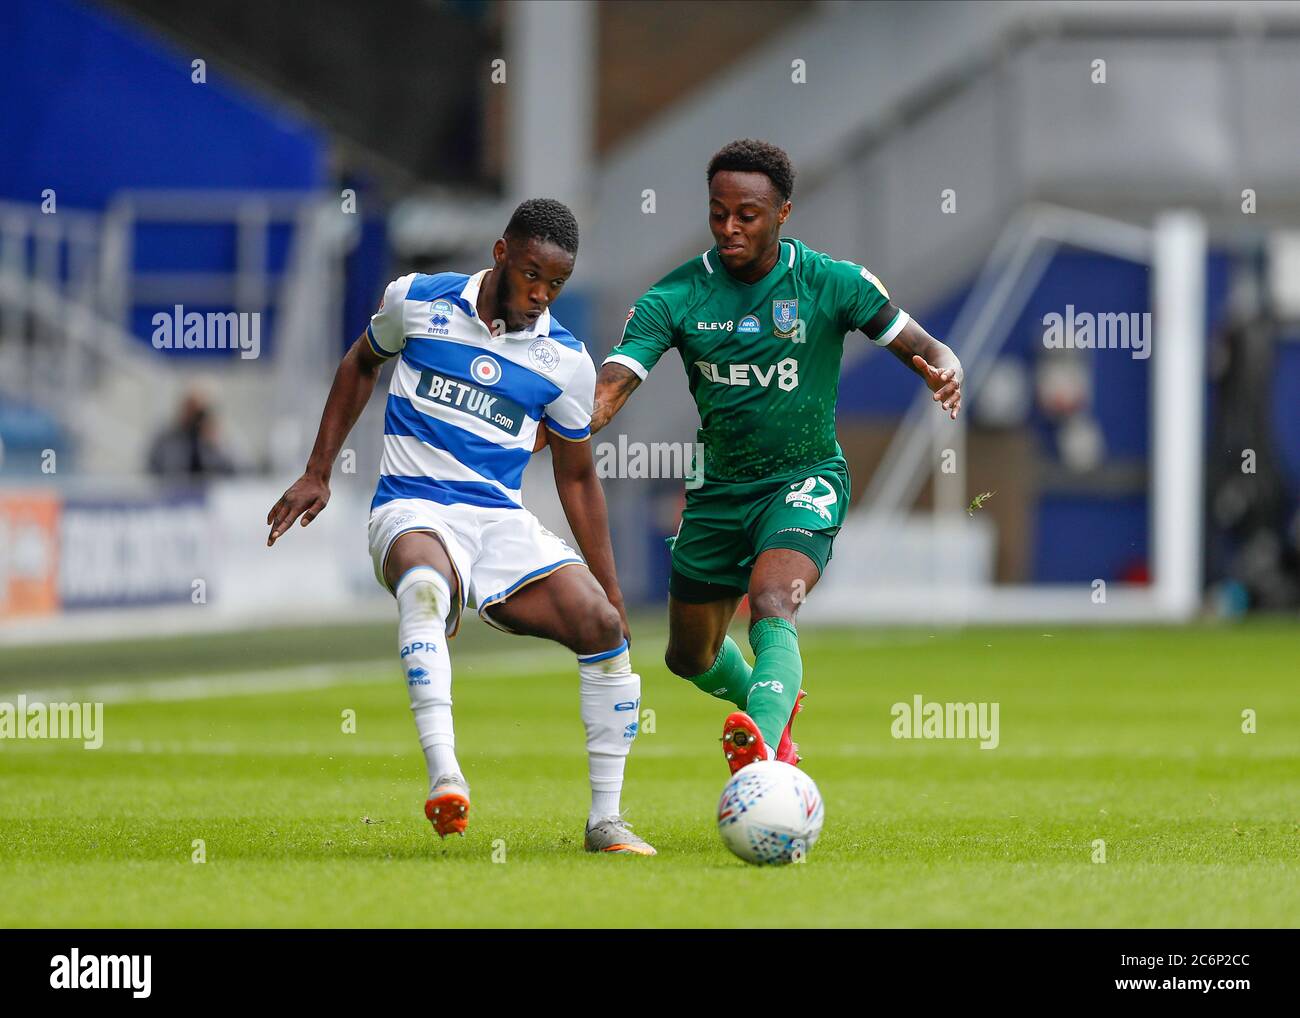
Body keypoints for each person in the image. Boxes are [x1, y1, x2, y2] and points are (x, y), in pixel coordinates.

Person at [267, 198, 654, 855]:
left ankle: (606, 822)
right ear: (501, 252)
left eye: (555, 284)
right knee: (423, 585)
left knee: (602, 627)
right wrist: (318, 470)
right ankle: (446, 774)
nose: (540, 295)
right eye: (532, 274)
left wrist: (612, 587)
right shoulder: (417, 300)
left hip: (500, 521)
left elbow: (578, 476)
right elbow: (362, 362)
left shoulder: (565, 361)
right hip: (410, 506)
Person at [591, 140, 964, 774]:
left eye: (748, 214)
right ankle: (773, 706)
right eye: (718, 213)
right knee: (690, 656)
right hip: (716, 493)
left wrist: (945, 371)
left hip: (803, 479)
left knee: (771, 601)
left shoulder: (831, 282)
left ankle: (760, 753)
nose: (730, 228)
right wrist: (564, 422)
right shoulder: (675, 297)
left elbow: (929, 346)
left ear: (783, 213)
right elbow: (613, 387)